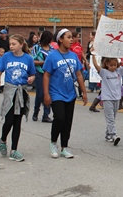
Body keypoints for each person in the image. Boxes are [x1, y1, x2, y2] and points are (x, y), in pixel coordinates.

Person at [43, 29, 88, 159]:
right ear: (60, 39)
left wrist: (84, 92)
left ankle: (64, 147)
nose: (71, 39)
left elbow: (79, 74)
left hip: (70, 93)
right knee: (60, 118)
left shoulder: (73, 56)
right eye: (68, 37)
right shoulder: (52, 56)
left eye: (71, 37)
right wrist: (46, 94)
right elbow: (46, 75)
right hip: (56, 93)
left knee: (68, 121)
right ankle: (53, 143)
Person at [0, 34, 36, 162]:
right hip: (9, 90)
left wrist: (31, 79)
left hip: (21, 91)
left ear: (21, 44)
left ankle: (14, 150)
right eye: (10, 44)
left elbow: (32, 74)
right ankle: (3, 139)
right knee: (9, 120)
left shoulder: (28, 58)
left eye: (14, 44)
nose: (11, 46)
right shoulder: (6, 56)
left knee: (17, 122)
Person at [91, 55, 123, 146]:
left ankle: (108, 134)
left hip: (117, 98)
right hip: (107, 98)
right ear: (106, 64)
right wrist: (93, 55)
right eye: (111, 65)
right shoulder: (104, 73)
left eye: (115, 65)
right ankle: (114, 135)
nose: (113, 67)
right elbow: (95, 65)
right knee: (110, 118)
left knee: (113, 117)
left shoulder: (119, 71)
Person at [31, 30, 54, 123]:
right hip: (40, 72)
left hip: (49, 73)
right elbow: (33, 61)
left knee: (48, 94)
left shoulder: (52, 49)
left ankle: (46, 115)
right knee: (40, 94)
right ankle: (36, 112)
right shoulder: (37, 48)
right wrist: (44, 63)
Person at [70, 32, 88, 99]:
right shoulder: (71, 45)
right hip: (73, 65)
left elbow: (81, 52)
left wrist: (86, 61)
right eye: (77, 37)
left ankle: (81, 93)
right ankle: (74, 92)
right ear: (73, 37)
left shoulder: (78, 44)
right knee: (73, 79)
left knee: (82, 78)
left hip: (79, 64)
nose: (78, 38)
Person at [0, 29, 10, 93]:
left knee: (4, 73)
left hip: (5, 57)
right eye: (0, 33)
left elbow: (9, 49)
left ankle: (3, 85)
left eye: (2, 33)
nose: (1, 34)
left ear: (6, 34)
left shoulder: (7, 42)